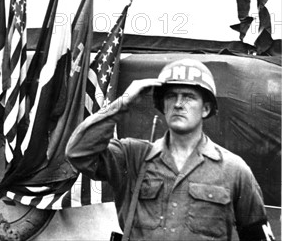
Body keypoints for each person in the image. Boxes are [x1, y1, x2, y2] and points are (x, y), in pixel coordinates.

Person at [66, 58, 274, 241]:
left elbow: (257, 235)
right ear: (162, 106)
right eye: (171, 96)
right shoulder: (132, 157)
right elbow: (78, 153)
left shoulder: (234, 170)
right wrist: (122, 104)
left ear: (206, 108)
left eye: (189, 96)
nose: (178, 104)